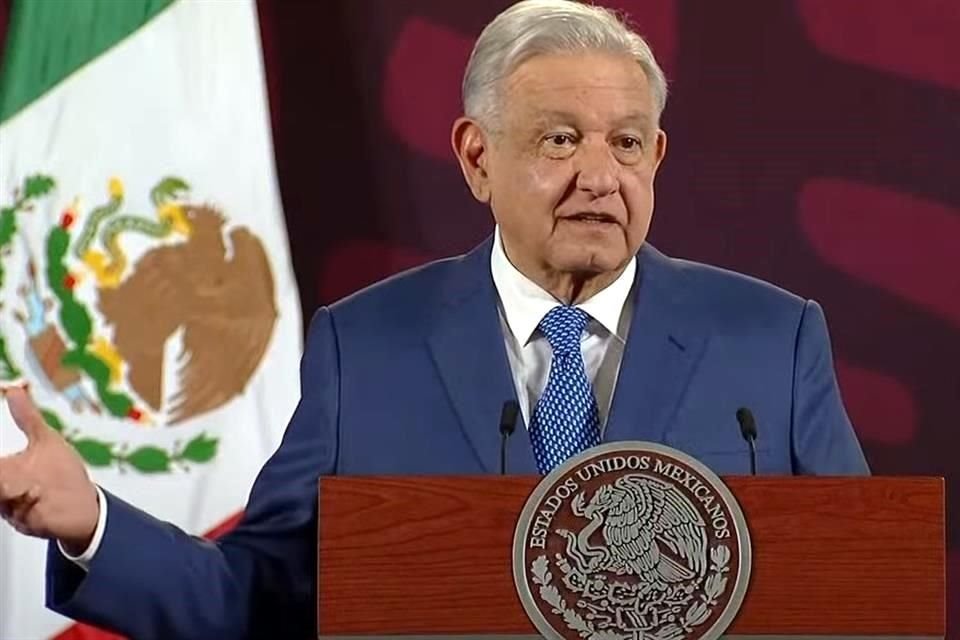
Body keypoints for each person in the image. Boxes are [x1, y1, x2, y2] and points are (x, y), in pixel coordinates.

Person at [0, 1, 868, 638]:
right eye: (561, 140)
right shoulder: (367, 347)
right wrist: (92, 522)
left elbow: (864, 597)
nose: (602, 175)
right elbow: (258, 598)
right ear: (476, 156)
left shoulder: (770, 341)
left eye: (628, 142)